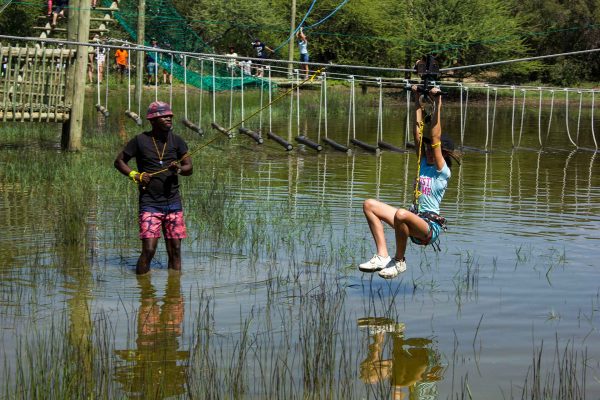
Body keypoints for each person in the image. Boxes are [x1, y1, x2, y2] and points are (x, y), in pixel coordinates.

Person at [359, 86, 460, 279]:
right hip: (411, 220)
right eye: (428, 148)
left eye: (434, 150)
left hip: (429, 228)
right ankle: (382, 256)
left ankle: (399, 261)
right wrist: (417, 98)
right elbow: (417, 134)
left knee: (402, 214)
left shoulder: (442, 171)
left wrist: (438, 102)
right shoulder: (422, 161)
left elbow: (436, 137)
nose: (429, 151)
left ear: (443, 154)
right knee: (369, 205)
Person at [114, 101, 193, 275]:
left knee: (175, 251)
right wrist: (135, 175)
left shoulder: (178, 141)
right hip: (149, 203)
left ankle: (174, 295)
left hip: (173, 203)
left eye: (170, 116)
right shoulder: (140, 141)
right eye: (163, 116)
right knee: (149, 250)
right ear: (152, 120)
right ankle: (144, 292)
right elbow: (119, 161)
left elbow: (189, 168)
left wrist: (179, 169)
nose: (168, 118)